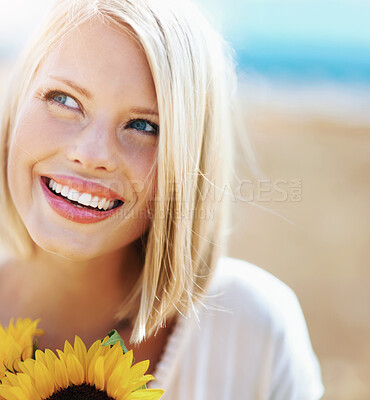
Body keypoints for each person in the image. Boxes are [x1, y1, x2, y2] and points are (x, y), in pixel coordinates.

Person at [0, 0, 324, 398]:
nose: (93, 153)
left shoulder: (255, 332)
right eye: (64, 100)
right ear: (17, 102)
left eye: (143, 125)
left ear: (188, 160)